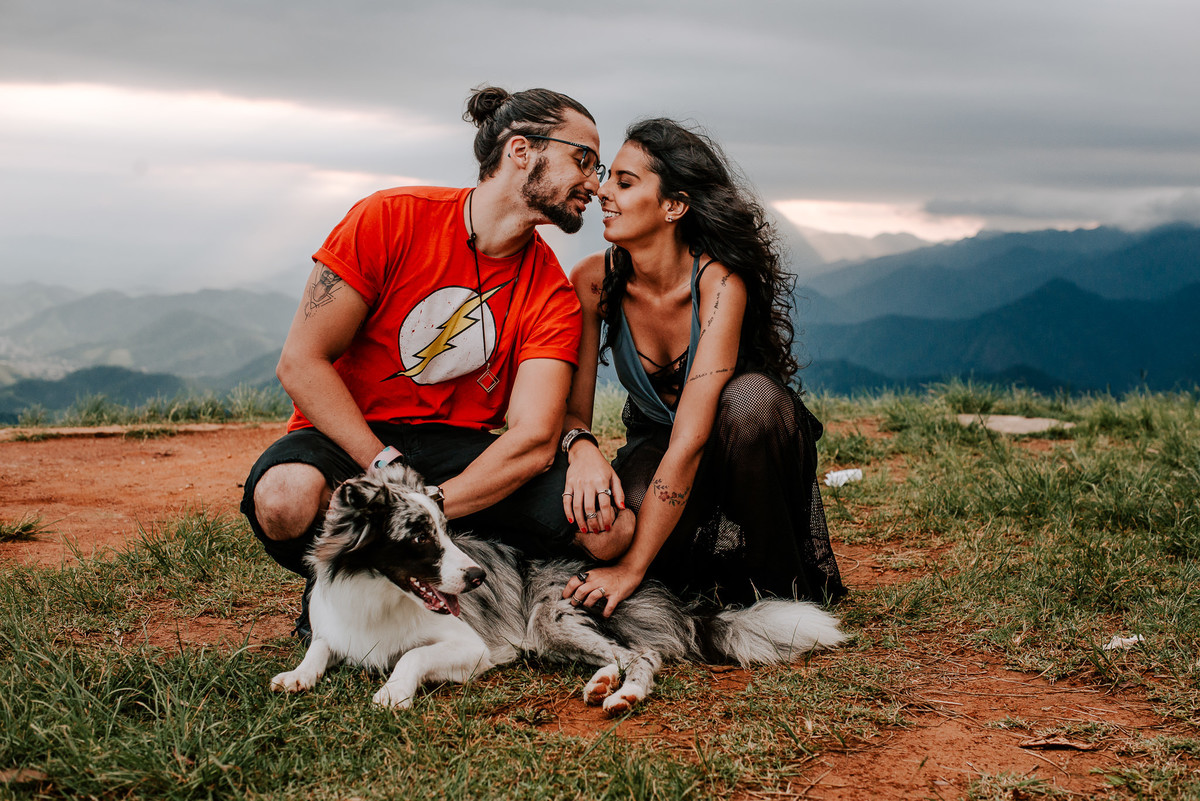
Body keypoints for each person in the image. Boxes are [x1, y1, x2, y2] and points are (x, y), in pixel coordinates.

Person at [241, 86, 632, 637]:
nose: (595, 183)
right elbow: (302, 363)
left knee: (607, 531)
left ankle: (466, 575)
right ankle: (343, 585)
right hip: (355, 434)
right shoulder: (387, 218)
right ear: (521, 150)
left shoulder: (552, 292)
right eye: (584, 160)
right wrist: (382, 466)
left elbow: (534, 438)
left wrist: (428, 503)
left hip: (458, 447)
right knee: (284, 499)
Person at [559, 118, 845, 616]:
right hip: (656, 441)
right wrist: (582, 449)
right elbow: (573, 409)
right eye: (609, 177)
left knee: (750, 402)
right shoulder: (590, 282)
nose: (602, 191)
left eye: (625, 183)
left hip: (744, 442)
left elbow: (693, 438)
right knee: (613, 530)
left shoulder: (719, 283)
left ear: (674, 205)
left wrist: (632, 570)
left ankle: (777, 586)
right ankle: (691, 566)